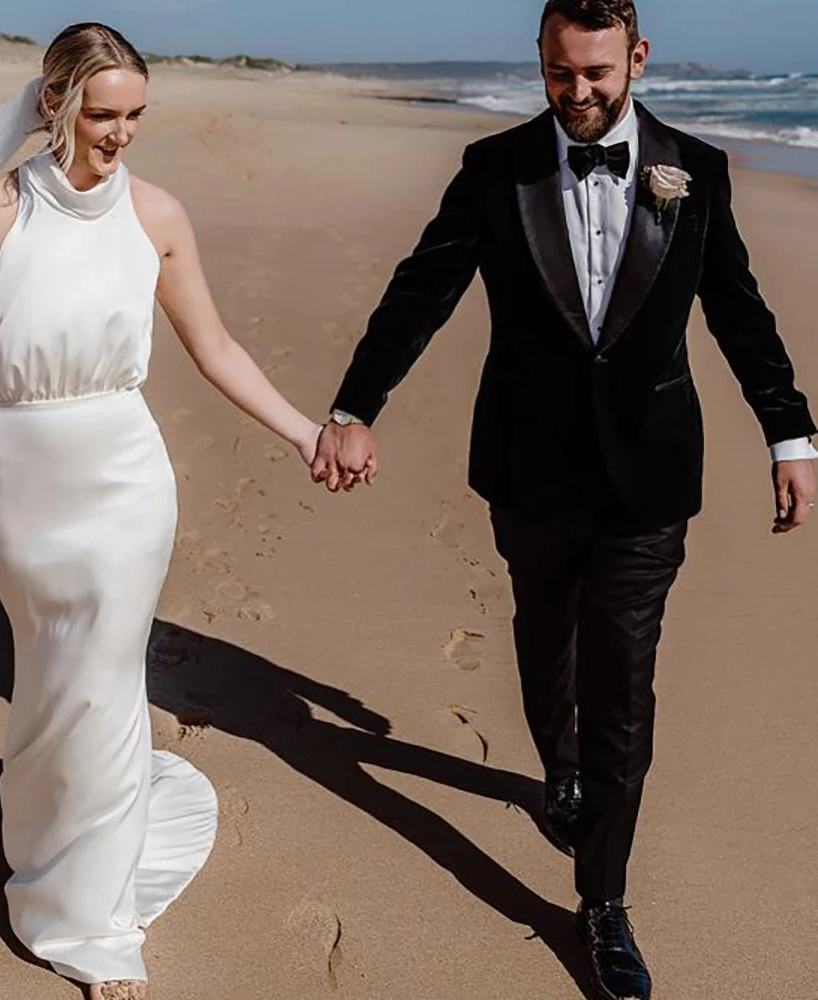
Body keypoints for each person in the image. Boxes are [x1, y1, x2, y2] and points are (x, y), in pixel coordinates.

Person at [311, 2, 817, 998]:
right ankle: (560, 767)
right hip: (528, 468)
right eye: (557, 74)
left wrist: (788, 432)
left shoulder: (693, 171)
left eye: (594, 74)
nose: (577, 94)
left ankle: (600, 897)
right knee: (546, 646)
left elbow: (738, 313)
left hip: (648, 476)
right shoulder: (495, 169)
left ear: (635, 58)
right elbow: (423, 290)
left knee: (622, 679)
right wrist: (353, 406)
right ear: (538, 62)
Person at [0, 22, 322, 1000]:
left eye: (136, 114)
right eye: (103, 113)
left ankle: (91, 924)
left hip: (125, 476)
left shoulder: (160, 215)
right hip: (21, 473)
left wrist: (302, 432)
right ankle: (49, 839)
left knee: (100, 671)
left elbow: (214, 348)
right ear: (54, 105)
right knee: (52, 672)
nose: (121, 133)